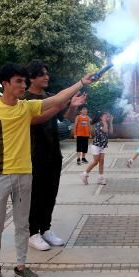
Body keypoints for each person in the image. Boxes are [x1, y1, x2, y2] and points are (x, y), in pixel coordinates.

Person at [0, 62, 92, 277]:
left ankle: (21, 265)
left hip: (24, 174)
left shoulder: (25, 107)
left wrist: (81, 83)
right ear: (5, 84)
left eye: (24, 81)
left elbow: (56, 101)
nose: (22, 85)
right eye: (18, 81)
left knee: (22, 225)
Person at [23, 60, 86, 251]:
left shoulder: (50, 96)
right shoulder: (24, 98)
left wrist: (72, 106)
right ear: (31, 77)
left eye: (47, 73)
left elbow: (65, 118)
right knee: (36, 195)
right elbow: (35, 119)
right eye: (42, 73)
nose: (46, 76)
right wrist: (59, 105)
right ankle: (33, 233)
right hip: (34, 154)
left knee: (51, 194)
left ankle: (46, 229)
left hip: (53, 154)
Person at [80, 111, 113, 185]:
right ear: (101, 117)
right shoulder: (99, 124)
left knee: (101, 162)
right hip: (96, 145)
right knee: (96, 161)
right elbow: (105, 130)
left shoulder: (106, 124)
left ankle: (100, 178)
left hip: (102, 146)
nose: (107, 117)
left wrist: (110, 122)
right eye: (105, 116)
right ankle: (84, 174)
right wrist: (105, 122)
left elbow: (110, 132)